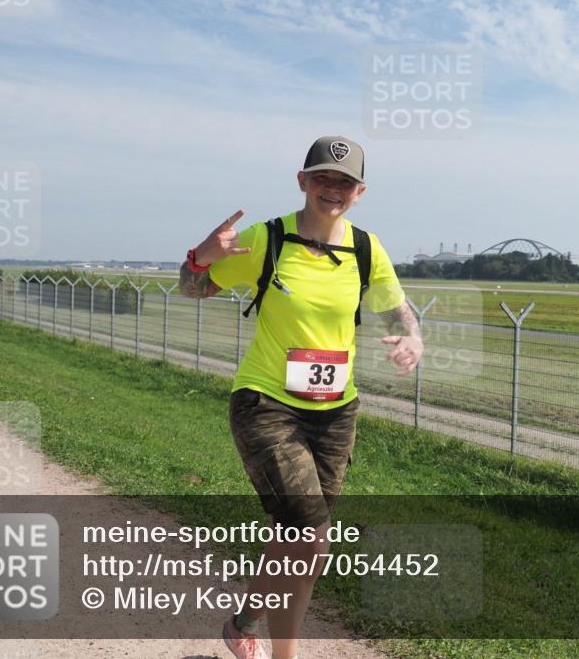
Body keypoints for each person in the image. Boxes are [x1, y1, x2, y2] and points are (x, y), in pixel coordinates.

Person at [179, 136, 423, 659]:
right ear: (302, 181)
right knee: (310, 537)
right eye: (322, 177)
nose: (332, 188)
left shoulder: (366, 249)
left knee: (301, 542)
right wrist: (200, 257)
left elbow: (395, 308)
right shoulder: (267, 239)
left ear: (359, 192)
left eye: (344, 182)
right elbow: (192, 288)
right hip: (266, 402)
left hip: (336, 412)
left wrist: (412, 337)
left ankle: (243, 625)